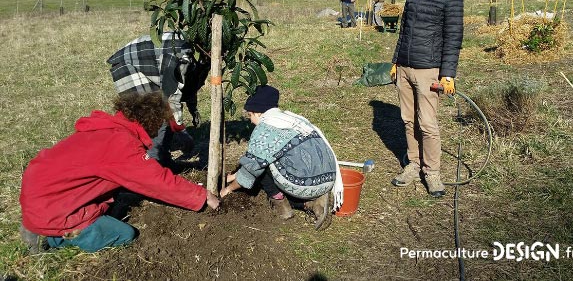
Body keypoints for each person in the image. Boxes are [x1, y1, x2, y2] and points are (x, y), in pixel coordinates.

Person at [19, 92, 220, 253]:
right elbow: (156, 181)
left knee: (117, 198)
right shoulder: (122, 145)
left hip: (43, 193)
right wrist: (202, 196)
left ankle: (41, 223)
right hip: (51, 209)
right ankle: (58, 238)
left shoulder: (109, 130)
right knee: (124, 234)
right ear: (151, 122)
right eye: (160, 125)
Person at [389, 0, 464, 197]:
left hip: (429, 69)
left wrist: (448, 74)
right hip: (406, 68)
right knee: (408, 120)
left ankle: (432, 172)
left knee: (428, 123)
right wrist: (396, 60)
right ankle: (413, 164)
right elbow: (404, 30)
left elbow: (453, 37)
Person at [219, 86, 344, 230]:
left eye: (250, 116)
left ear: (258, 113)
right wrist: (232, 176)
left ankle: (282, 206)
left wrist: (229, 189)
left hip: (304, 185)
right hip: (329, 179)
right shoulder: (290, 119)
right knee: (269, 156)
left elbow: (250, 170)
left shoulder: (266, 129)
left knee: (261, 164)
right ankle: (313, 203)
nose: (251, 121)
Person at [107, 32, 209, 166]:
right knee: (153, 113)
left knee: (162, 110)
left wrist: (192, 112)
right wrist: (181, 130)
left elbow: (189, 86)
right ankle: (152, 162)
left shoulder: (203, 60)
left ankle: (163, 158)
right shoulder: (183, 55)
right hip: (128, 64)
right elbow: (172, 94)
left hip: (151, 64)